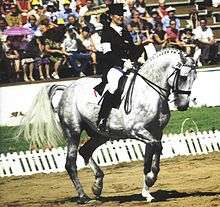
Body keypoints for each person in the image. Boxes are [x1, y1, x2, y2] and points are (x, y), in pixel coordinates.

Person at [95, 3, 144, 131]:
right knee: (114, 85)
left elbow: (132, 48)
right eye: (117, 14)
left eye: (121, 14)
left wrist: (140, 54)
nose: (120, 17)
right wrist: (122, 63)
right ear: (111, 16)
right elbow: (107, 54)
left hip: (128, 65)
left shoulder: (125, 31)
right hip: (112, 67)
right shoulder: (106, 33)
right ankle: (102, 118)